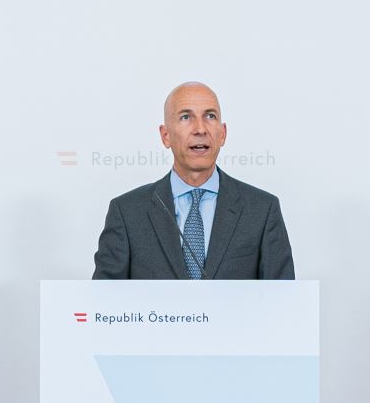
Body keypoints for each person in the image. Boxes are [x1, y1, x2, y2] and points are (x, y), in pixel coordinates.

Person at [93, 81, 294, 280]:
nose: (200, 129)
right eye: (186, 117)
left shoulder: (263, 210)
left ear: (223, 134)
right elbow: (104, 298)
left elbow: (283, 297)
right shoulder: (126, 212)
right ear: (165, 136)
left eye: (210, 116)